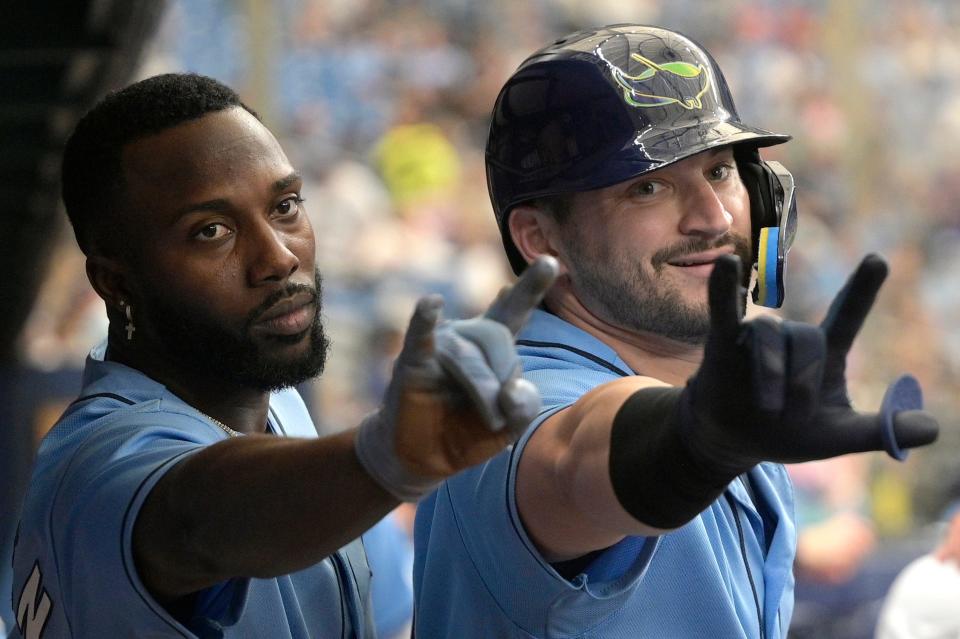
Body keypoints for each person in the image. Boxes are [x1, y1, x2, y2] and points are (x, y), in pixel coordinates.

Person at [413, 24, 940, 638]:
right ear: (540, 238)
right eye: (649, 187)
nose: (712, 217)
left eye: (719, 172)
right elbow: (580, 457)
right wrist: (695, 443)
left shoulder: (716, 402)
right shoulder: (503, 410)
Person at [8, 72, 559, 638]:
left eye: (285, 206)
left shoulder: (277, 404)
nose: (277, 256)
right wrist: (382, 459)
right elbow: (197, 522)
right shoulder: (100, 460)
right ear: (116, 282)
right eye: (211, 231)